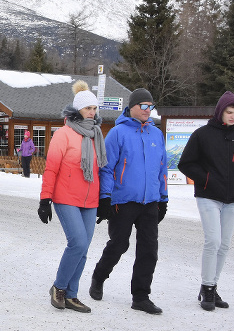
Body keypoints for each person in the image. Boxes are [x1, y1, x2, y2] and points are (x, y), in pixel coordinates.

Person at [177, 91, 234, 311]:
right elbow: (185, 164)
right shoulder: (202, 134)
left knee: (224, 244)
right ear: (220, 111)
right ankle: (208, 287)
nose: (233, 116)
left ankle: (211, 287)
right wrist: (207, 180)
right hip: (208, 197)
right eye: (229, 112)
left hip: (233, 199)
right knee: (213, 240)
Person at [89, 88, 168, 315]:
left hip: (150, 202)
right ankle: (99, 276)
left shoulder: (156, 134)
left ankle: (141, 296)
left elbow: (161, 169)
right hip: (122, 201)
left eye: (150, 106)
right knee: (119, 244)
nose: (147, 110)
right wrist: (105, 198)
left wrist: (163, 198)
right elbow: (106, 168)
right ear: (131, 107)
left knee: (149, 250)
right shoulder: (117, 133)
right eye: (143, 105)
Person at [38, 81, 105, 313]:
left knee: (84, 248)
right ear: (77, 110)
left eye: (94, 109)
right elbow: (51, 168)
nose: (92, 113)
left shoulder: (96, 135)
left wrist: (104, 199)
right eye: (88, 109)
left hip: (90, 200)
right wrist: (45, 199)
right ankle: (59, 288)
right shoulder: (63, 135)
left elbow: (101, 170)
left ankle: (72, 295)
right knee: (77, 242)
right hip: (65, 197)